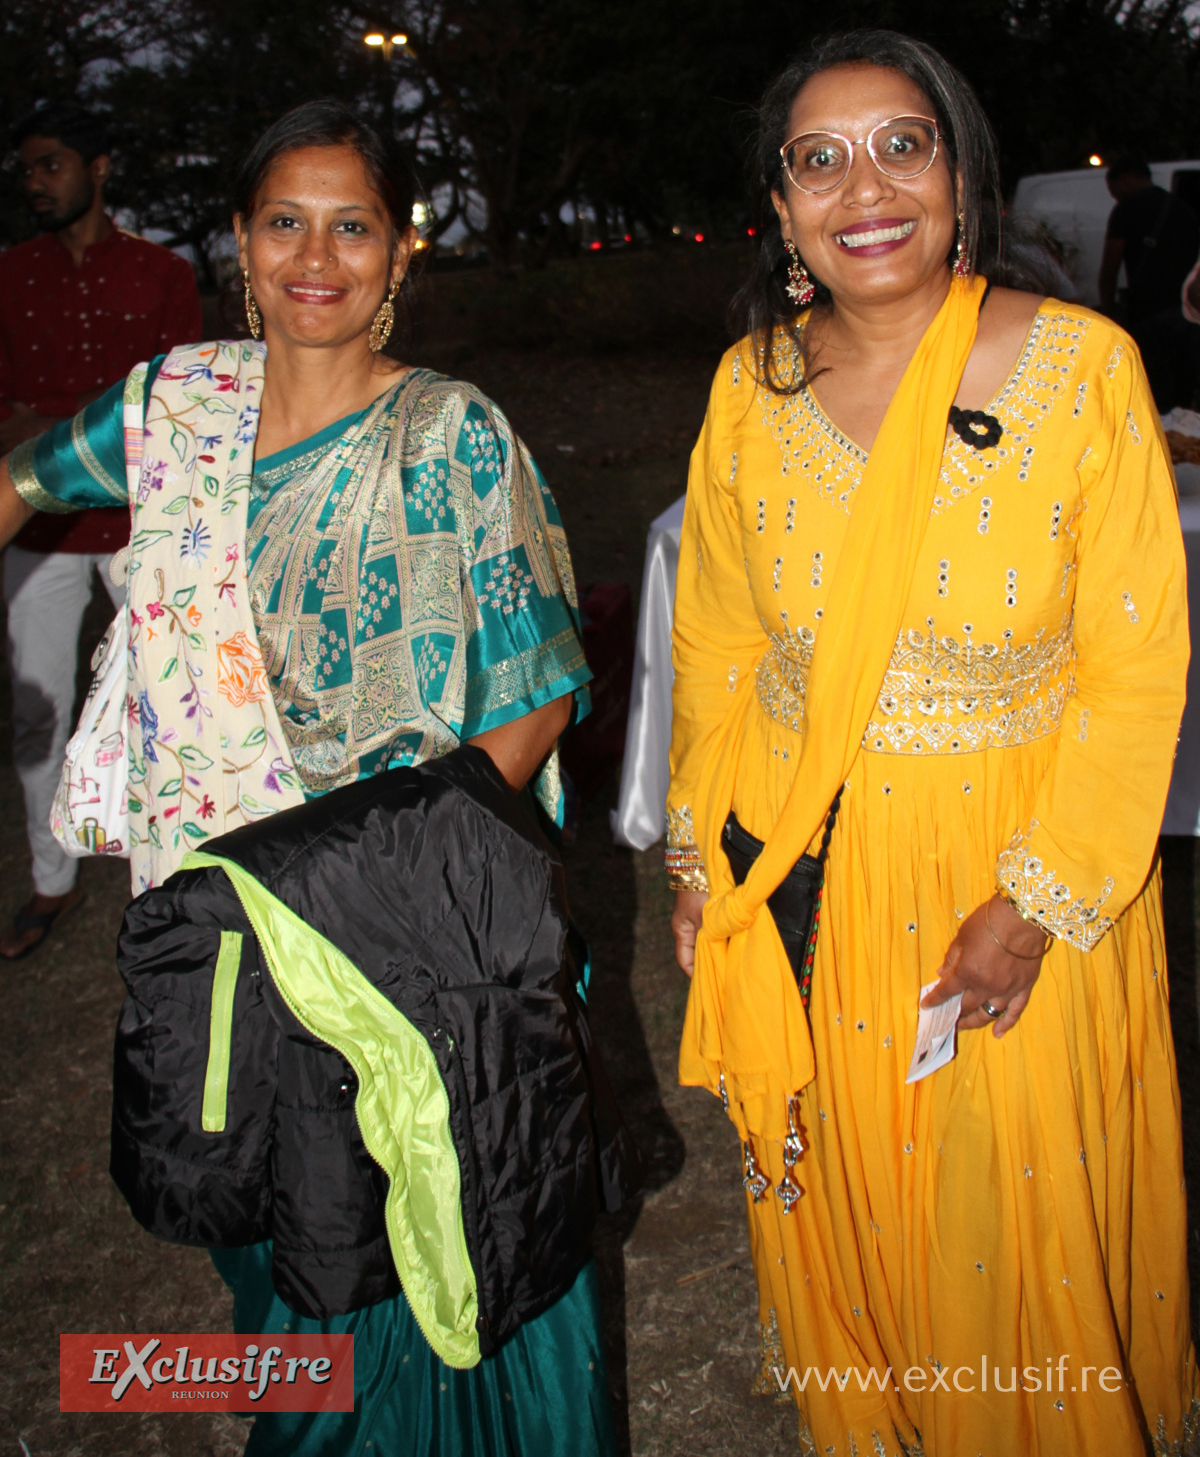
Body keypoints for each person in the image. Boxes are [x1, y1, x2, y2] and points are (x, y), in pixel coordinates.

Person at [0, 100, 615, 1456]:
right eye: (286, 222)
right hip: (217, 925)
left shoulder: (453, 434)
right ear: (238, 240)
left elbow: (537, 695)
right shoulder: (176, 404)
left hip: (399, 937)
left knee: (420, 1270)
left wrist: (376, 888)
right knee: (274, 1249)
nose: (316, 257)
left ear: (402, 255)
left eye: (354, 227)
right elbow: (22, 481)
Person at [667, 30, 1194, 1457]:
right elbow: (713, 640)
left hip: (1015, 870)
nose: (865, 187)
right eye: (818, 160)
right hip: (803, 870)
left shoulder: (1083, 371)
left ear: (962, 176)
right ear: (780, 212)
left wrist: (1034, 907)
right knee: (850, 1197)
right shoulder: (750, 389)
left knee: (1010, 1223)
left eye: (901, 143)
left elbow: (1139, 667)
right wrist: (696, 863)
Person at [0, 100, 202, 959]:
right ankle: (54, 876)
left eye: (51, 164)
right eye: (27, 169)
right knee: (35, 709)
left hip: (139, 525)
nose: (36, 182)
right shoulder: (9, 275)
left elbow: (180, 403)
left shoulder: (160, 274)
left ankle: (180, 869)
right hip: (41, 530)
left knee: (169, 701)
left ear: (100, 167)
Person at [1097, 150, 1199, 410]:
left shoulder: (1127, 208)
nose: (1114, 197)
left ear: (1127, 179)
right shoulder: (1184, 210)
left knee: (1153, 397)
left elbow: (1110, 266)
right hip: (1187, 315)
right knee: (1183, 398)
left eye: (1114, 190)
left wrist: (1107, 314)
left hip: (1150, 315)